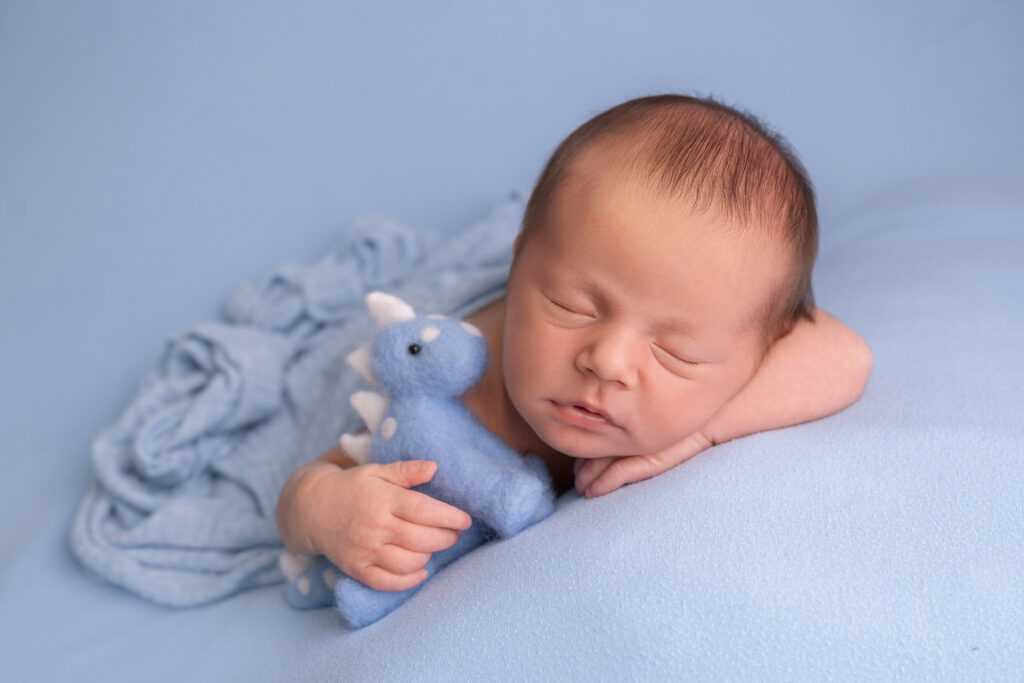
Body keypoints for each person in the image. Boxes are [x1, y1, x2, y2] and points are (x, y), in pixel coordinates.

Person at [275, 94, 874, 595]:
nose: (607, 363)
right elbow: (307, 489)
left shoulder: (736, 339)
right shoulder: (462, 388)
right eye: (571, 306)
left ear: (762, 350)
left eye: (677, 353)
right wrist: (327, 511)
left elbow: (849, 357)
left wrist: (701, 431)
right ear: (517, 268)